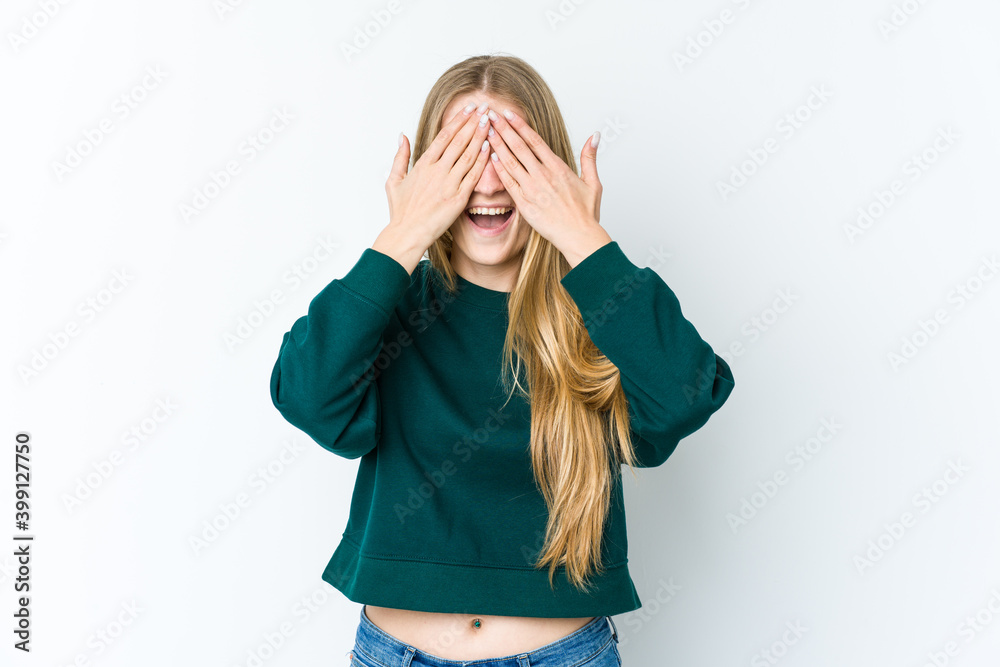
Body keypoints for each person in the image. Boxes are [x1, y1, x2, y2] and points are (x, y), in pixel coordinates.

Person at [269, 54, 735, 667]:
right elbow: (306, 396)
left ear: (551, 172)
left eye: (511, 154)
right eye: (463, 154)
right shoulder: (388, 307)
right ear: (426, 174)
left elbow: (687, 394)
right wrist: (402, 234)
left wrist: (583, 237)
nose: (487, 183)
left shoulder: (600, 309)